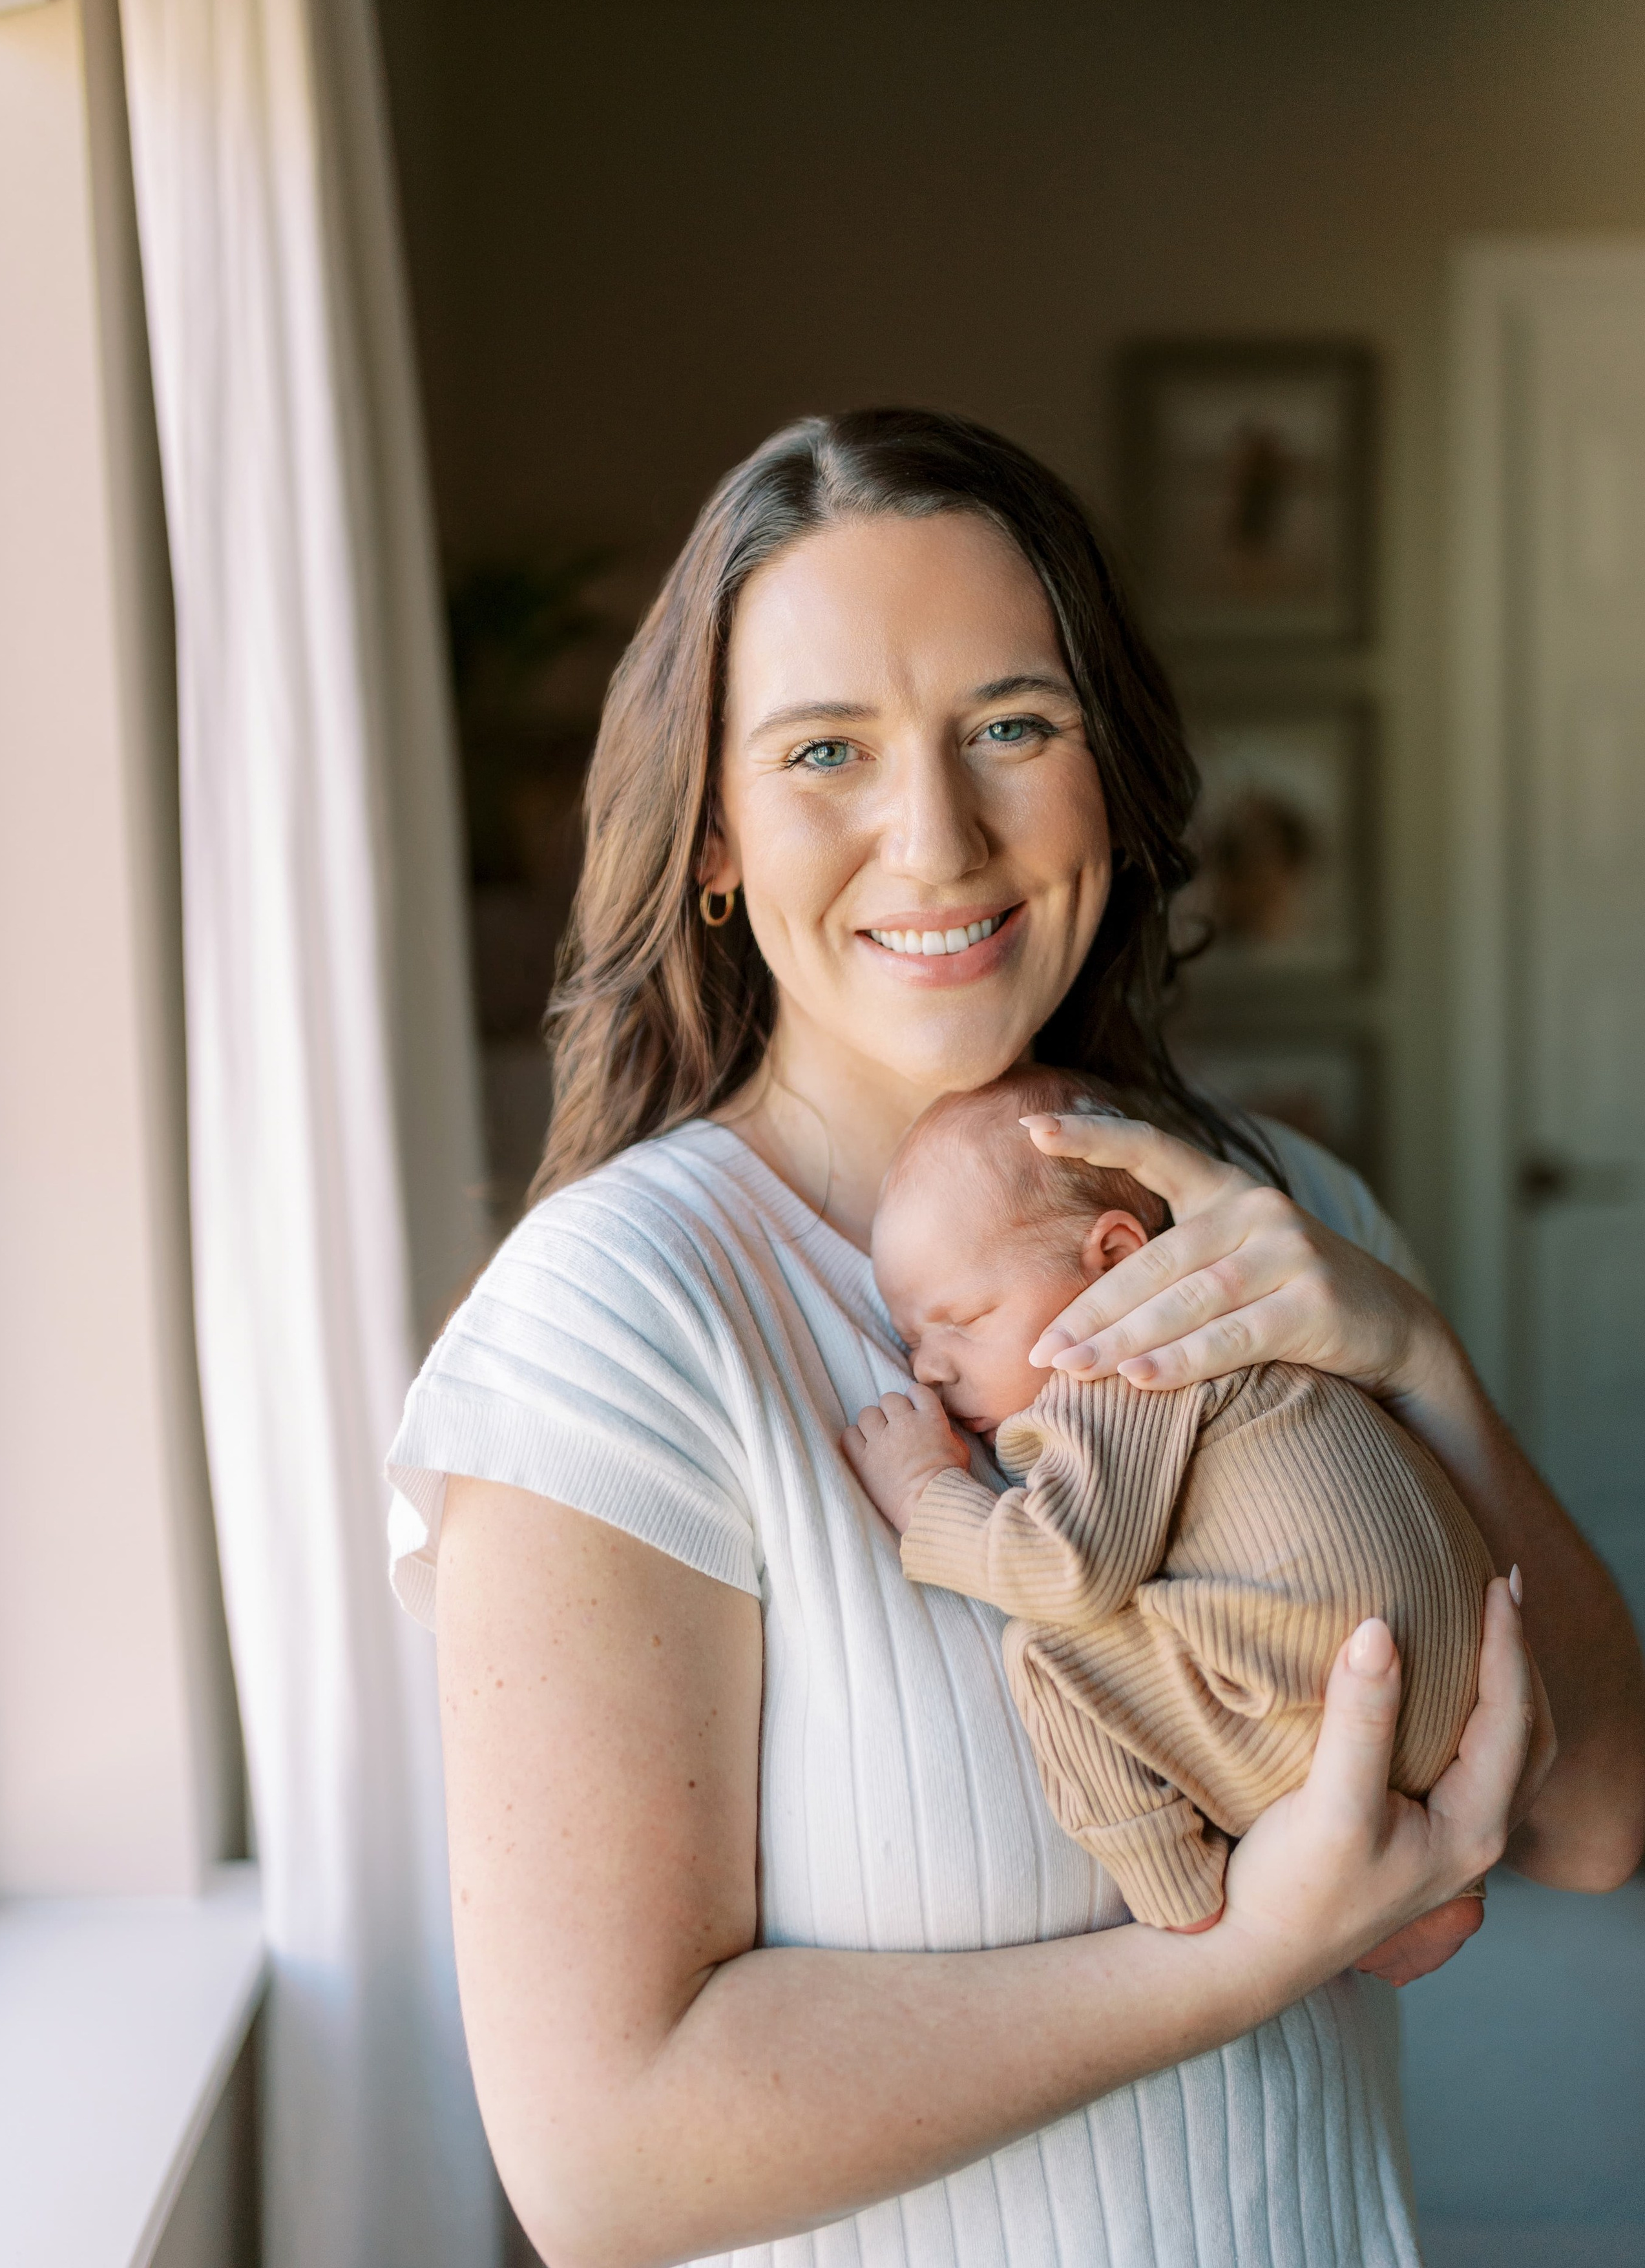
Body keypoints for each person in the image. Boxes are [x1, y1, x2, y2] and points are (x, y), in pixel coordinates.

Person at [386, 410, 1645, 2268]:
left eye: (1012, 726)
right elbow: (607, 2160)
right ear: (716, 840)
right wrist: (1247, 1956)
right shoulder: (614, 1327)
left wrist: (1421, 1364)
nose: (937, 837)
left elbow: (1599, 1819)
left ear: (1113, 779)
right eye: (828, 751)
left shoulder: (1273, 1207)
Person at [842, 1065, 1494, 1935]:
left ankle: (1182, 1892)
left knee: (1050, 1652)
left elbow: (1066, 1567)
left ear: (1111, 1258)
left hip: (1316, 1716)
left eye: (962, 1318)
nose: (928, 1365)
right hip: (1447, 1694)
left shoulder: (1119, 1358)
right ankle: (1425, 1890)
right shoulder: (1259, 1315)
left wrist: (926, 1490)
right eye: (909, 1337)